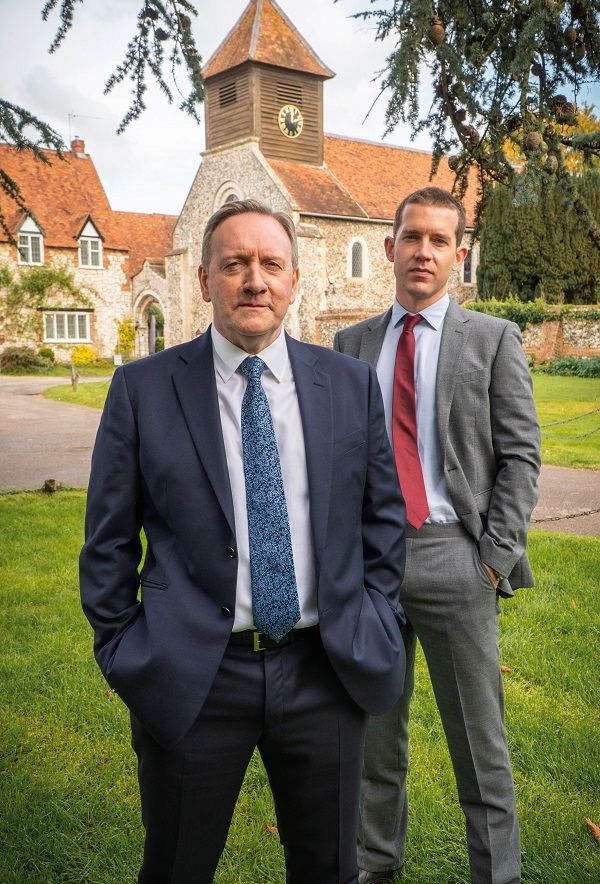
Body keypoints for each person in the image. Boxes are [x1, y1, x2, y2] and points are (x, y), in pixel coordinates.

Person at [79, 199, 407, 884]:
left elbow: (381, 522)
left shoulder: (349, 386)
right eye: (234, 264)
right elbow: (107, 542)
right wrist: (125, 650)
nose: (254, 280)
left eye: (270, 264)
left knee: (328, 869)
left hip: (325, 669)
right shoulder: (143, 390)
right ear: (203, 281)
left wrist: (376, 615)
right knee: (177, 866)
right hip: (195, 677)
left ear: (294, 281)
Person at [334, 187, 541, 884]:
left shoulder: (492, 339)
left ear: (459, 254)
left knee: (480, 744)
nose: (423, 251)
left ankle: (497, 874)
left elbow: (520, 456)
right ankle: (376, 867)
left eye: (438, 240)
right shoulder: (352, 343)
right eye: (411, 237)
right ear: (390, 247)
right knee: (374, 740)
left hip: (458, 558)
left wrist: (492, 559)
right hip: (373, 570)